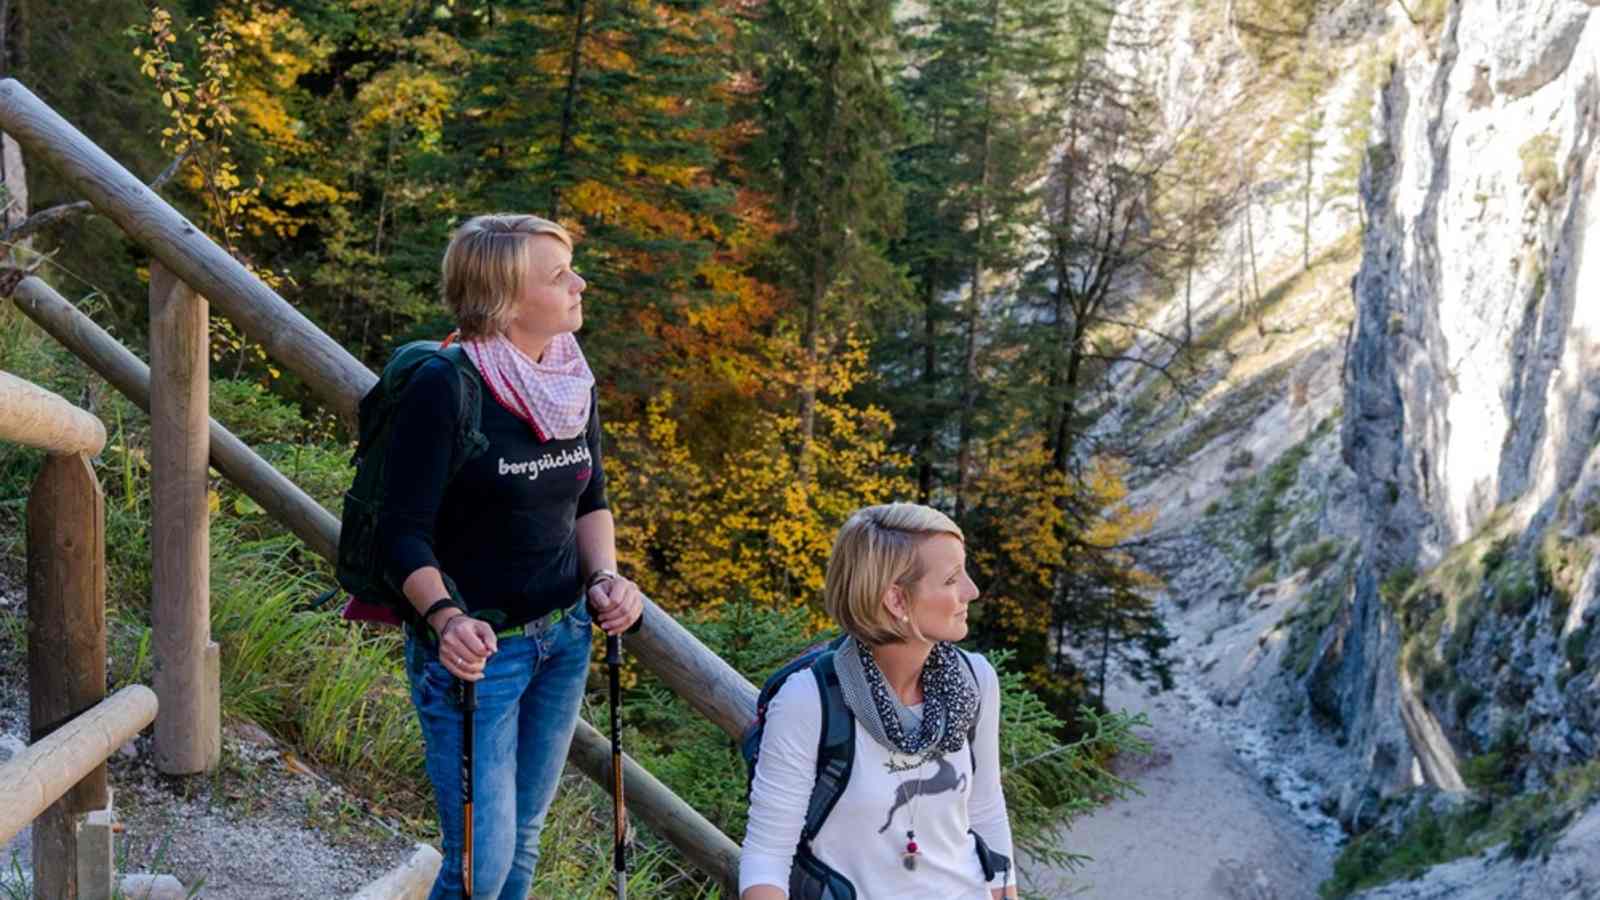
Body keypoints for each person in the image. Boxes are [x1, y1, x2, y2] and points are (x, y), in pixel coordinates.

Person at [378, 213, 644, 899]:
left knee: (523, 841)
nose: (579, 284)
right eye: (559, 277)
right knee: (480, 867)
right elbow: (400, 531)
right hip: (479, 655)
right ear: (502, 299)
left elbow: (592, 501)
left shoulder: (570, 378)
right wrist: (444, 618)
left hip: (565, 637)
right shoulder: (446, 386)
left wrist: (607, 579)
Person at [740, 503, 1020, 899]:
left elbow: (987, 810)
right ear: (897, 600)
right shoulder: (810, 700)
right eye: (952, 579)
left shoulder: (975, 680)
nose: (971, 591)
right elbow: (767, 857)